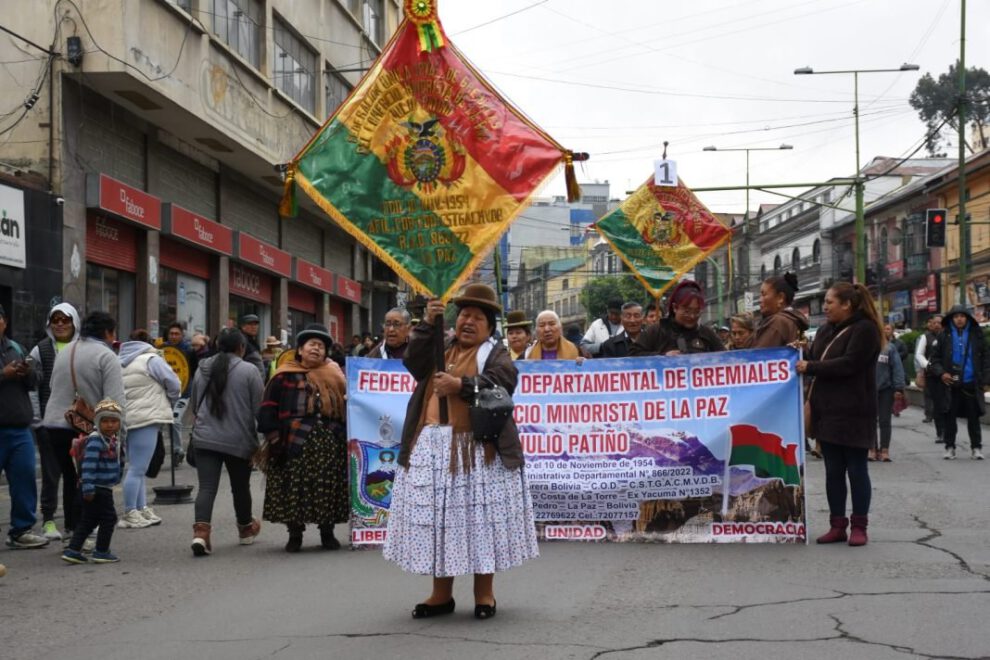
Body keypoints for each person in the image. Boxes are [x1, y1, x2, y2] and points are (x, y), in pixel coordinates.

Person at [383, 283, 538, 620]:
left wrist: (461, 386)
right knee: (441, 522)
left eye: (477, 317)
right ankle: (441, 595)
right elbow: (413, 361)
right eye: (464, 314)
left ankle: (485, 594)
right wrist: (428, 322)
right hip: (433, 446)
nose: (469, 321)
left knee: (481, 523)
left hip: (478, 450)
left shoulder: (494, 353)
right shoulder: (441, 346)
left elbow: (504, 381)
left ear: (489, 326)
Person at [796, 282, 883, 546]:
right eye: (825, 302)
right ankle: (837, 525)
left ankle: (859, 526)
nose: (825, 307)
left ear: (847, 304)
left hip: (855, 411)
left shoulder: (866, 329)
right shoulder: (825, 329)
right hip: (827, 411)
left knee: (856, 470)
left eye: (830, 302)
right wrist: (800, 350)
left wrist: (810, 366)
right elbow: (816, 356)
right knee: (833, 471)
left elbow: (849, 364)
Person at [257, 323, 348, 551]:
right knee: (294, 490)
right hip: (292, 443)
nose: (316, 349)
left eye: (321, 346)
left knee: (327, 488)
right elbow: (268, 408)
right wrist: (274, 438)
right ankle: (295, 535)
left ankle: (327, 532)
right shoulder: (283, 375)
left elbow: (348, 407)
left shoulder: (336, 376)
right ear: (300, 349)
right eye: (311, 344)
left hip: (330, 443)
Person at [42, 311, 125, 541]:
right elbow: (114, 401)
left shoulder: (65, 351)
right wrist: (120, 435)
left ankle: (72, 529)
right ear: (108, 332)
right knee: (90, 478)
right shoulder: (106, 356)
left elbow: (53, 385)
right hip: (86, 428)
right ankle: (82, 534)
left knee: (71, 478)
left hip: (55, 424)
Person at [188, 329, 264, 556]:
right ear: (241, 348)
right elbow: (259, 409)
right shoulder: (249, 370)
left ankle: (201, 534)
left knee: (206, 487)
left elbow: (195, 404)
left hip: (204, 437)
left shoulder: (202, 368)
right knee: (240, 487)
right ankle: (246, 529)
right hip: (239, 439)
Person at [118, 330, 181, 528]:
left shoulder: (119, 361)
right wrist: (171, 399)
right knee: (137, 469)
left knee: (137, 466)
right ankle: (130, 512)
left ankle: (141, 507)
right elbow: (174, 383)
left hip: (128, 418)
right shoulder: (151, 359)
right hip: (148, 416)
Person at [29, 302, 81, 542]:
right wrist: (37, 420)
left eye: (65, 320)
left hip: (78, 422)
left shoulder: (81, 348)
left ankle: (74, 522)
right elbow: (32, 387)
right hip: (49, 423)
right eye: (55, 320)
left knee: (76, 474)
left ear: (74, 323)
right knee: (51, 474)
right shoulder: (40, 350)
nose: (60, 324)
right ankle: (48, 520)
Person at [0, 304, 47, 549]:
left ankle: (21, 530)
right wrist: (4, 374)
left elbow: (36, 381)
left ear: (5, 322)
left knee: (25, 479)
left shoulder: (16, 348)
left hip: (20, 429)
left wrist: (28, 372)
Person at [61, 400, 124, 565]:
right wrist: (88, 487)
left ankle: (73, 550)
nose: (109, 425)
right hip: (97, 488)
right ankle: (101, 551)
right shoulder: (96, 440)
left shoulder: (110, 439)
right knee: (109, 519)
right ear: (97, 422)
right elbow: (88, 465)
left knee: (89, 520)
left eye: (114, 421)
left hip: (101, 487)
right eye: (105, 421)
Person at [930, 306, 989, 461]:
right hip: (950, 384)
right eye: (956, 316)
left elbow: (986, 358)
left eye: (962, 316)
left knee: (974, 417)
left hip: (971, 382)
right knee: (949, 418)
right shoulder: (944, 335)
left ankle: (976, 448)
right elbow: (934, 360)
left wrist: (985, 380)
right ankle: (950, 447)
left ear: (967, 318)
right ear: (951, 319)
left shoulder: (977, 334)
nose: (959, 319)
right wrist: (942, 373)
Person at [630, 281, 725, 356]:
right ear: (675, 308)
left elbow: (725, 358)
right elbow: (633, 355)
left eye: (697, 312)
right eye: (687, 311)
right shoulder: (656, 331)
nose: (692, 316)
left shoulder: (707, 334)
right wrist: (662, 356)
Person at [749, 273, 809, 348]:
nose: (760, 300)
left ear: (780, 298)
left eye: (764, 295)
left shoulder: (777, 322)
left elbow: (759, 353)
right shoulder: (793, 320)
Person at [874, 338, 906, 462]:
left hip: (886, 389)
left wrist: (898, 388)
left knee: (885, 420)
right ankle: (872, 449)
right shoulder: (864, 345)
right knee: (869, 420)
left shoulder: (890, 348)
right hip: (868, 389)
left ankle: (884, 450)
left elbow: (897, 368)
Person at [914, 315, 944, 437]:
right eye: (934, 323)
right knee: (936, 402)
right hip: (932, 375)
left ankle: (948, 432)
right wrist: (927, 365)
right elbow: (919, 354)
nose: (936, 325)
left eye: (939, 323)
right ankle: (940, 432)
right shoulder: (925, 337)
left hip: (947, 374)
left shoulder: (949, 336)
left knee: (947, 403)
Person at [239, 314, 266, 379]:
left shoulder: (252, 341)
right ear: (243, 326)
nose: (254, 327)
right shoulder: (241, 340)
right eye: (250, 324)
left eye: (256, 324)